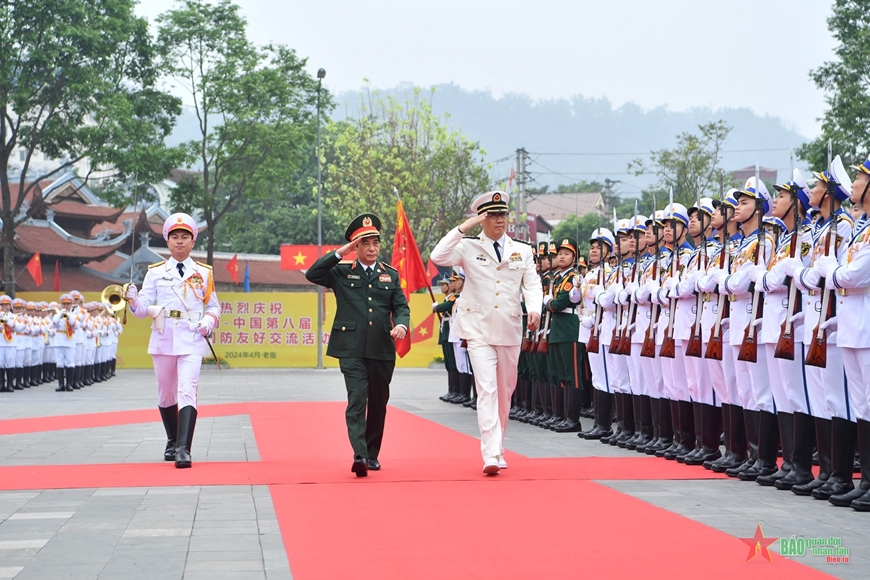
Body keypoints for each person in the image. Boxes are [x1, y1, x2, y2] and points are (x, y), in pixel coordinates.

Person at [430, 191, 543, 475]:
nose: (499, 220)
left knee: (505, 392)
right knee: (486, 389)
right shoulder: (468, 247)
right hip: (477, 328)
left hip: (508, 326)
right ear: (482, 219)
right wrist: (464, 227)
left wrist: (535, 309)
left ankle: (498, 446)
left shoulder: (523, 250)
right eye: (493, 215)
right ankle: (490, 453)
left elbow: (532, 283)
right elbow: (437, 255)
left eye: (503, 215)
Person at [306, 213, 410, 478]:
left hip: (381, 349)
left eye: (375, 242)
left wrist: (401, 324)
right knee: (357, 399)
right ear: (356, 247)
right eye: (365, 243)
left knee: (378, 402)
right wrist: (342, 252)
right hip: (350, 348)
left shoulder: (390, 275)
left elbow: (401, 307)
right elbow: (313, 273)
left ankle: (372, 454)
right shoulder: (341, 272)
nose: (372, 248)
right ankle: (360, 455)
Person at [125, 213, 220, 469]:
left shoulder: (203, 272)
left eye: (184, 237)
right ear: (167, 241)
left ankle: (183, 449)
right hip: (164, 335)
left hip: (191, 337)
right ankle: (171, 439)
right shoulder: (156, 273)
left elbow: (213, 306)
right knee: (166, 392)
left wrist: (208, 322)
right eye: (174, 237)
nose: (179, 242)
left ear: (192, 241)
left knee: (187, 389)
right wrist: (134, 300)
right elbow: (144, 308)